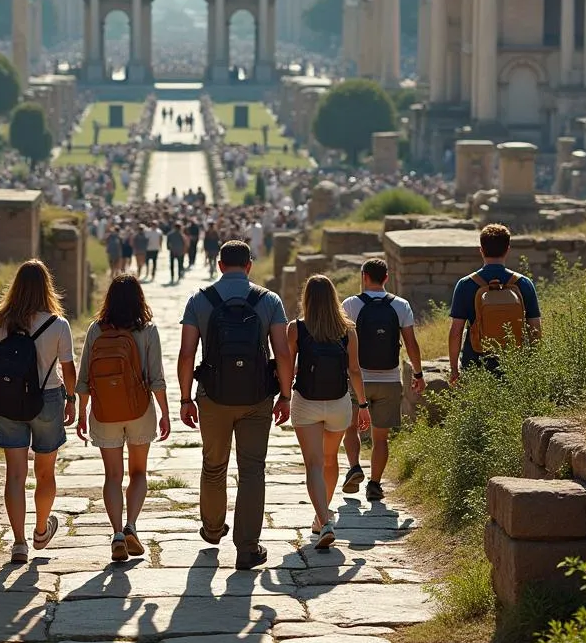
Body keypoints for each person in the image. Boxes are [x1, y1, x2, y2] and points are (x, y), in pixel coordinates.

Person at [178, 240, 293, 569]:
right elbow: (282, 353)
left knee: (214, 466)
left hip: (213, 397)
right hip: (257, 397)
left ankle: (213, 529)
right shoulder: (268, 300)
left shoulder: (200, 300)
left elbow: (187, 354)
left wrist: (186, 399)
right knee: (253, 470)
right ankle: (247, 547)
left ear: (219, 265)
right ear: (249, 266)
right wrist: (285, 395)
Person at [0, 259, 77, 563]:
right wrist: (72, 399)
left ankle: (19, 543)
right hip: (47, 399)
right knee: (45, 473)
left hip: (8, 401)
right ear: (48, 287)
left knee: (15, 474)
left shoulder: (0, 322)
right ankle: (41, 530)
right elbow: (68, 368)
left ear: (16, 286)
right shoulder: (58, 324)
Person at [76, 275, 171, 562]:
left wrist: (82, 413)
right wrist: (165, 413)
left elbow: (83, 378)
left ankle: (117, 533)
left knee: (112, 476)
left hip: (105, 411)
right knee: (138, 473)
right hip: (139, 409)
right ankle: (131, 526)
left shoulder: (96, 329)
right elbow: (157, 379)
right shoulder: (147, 330)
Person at [289, 275, 368, 548]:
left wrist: (282, 396)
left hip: (307, 401)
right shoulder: (348, 330)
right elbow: (354, 371)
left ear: (307, 299)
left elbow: (287, 369)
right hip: (339, 402)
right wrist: (364, 405)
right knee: (330, 459)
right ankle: (321, 516)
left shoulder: (296, 328)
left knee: (313, 463)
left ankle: (324, 521)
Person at [341, 258, 423, 503]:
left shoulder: (351, 305)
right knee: (381, 438)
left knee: (351, 427)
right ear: (386, 277)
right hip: (389, 379)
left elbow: (341, 341)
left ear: (364, 276)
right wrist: (418, 373)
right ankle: (375, 485)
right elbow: (411, 343)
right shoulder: (401, 305)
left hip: (357, 378)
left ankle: (355, 467)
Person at [448, 223, 542, 382]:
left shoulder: (465, 284)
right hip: (514, 364)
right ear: (507, 250)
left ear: (481, 250)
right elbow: (535, 329)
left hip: (476, 363)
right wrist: (534, 365)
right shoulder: (524, 284)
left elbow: (456, 332)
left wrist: (454, 369)